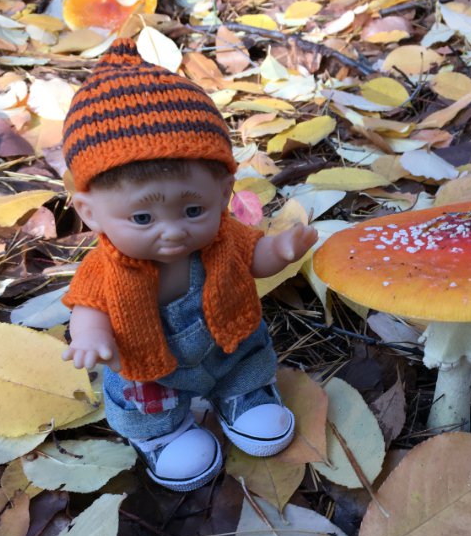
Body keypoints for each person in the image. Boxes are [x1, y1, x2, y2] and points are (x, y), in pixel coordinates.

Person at [59, 37, 318, 492]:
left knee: (242, 359)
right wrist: (90, 337)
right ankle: (164, 434)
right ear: (90, 213)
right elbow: (89, 305)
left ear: (223, 192)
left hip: (225, 342)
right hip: (150, 363)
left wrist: (280, 251)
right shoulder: (106, 268)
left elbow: (253, 258)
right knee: (147, 398)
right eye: (143, 218)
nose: (173, 231)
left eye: (193, 210)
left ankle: (242, 395)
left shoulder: (226, 237)